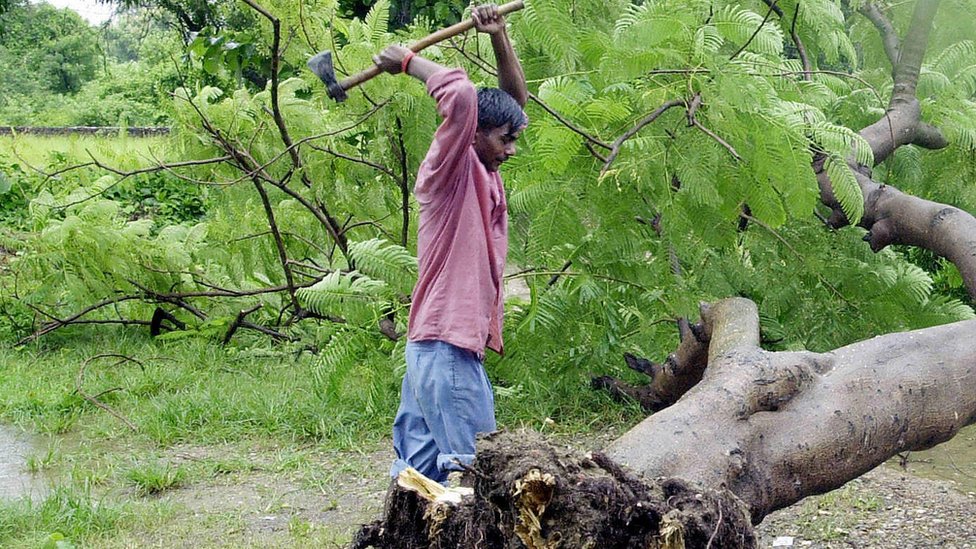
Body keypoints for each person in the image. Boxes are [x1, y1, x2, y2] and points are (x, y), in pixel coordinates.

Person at [373, 3, 528, 484]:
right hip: (446, 349)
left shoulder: (484, 170)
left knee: (416, 478)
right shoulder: (450, 171)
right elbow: (460, 93)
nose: (512, 148)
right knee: (483, 472)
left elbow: (512, 103)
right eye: (505, 139)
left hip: (430, 348)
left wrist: (499, 36)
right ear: (473, 133)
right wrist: (407, 62)